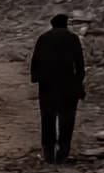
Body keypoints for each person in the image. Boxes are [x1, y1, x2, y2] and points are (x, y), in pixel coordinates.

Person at [29, 12, 86, 164]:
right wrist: (79, 82)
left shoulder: (43, 38)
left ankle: (48, 153)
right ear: (65, 24)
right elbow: (79, 63)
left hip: (47, 84)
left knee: (47, 118)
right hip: (68, 83)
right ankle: (63, 153)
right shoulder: (72, 38)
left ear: (52, 24)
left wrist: (36, 77)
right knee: (67, 118)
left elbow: (35, 60)